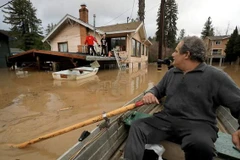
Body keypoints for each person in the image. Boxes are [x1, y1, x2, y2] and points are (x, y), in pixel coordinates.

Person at [124, 36, 240, 160]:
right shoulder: (171, 73)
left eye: (176, 51)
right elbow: (158, 89)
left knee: (202, 145)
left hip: (199, 124)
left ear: (186, 54)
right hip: (167, 119)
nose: (173, 54)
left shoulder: (217, 76)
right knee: (138, 127)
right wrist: (150, 93)